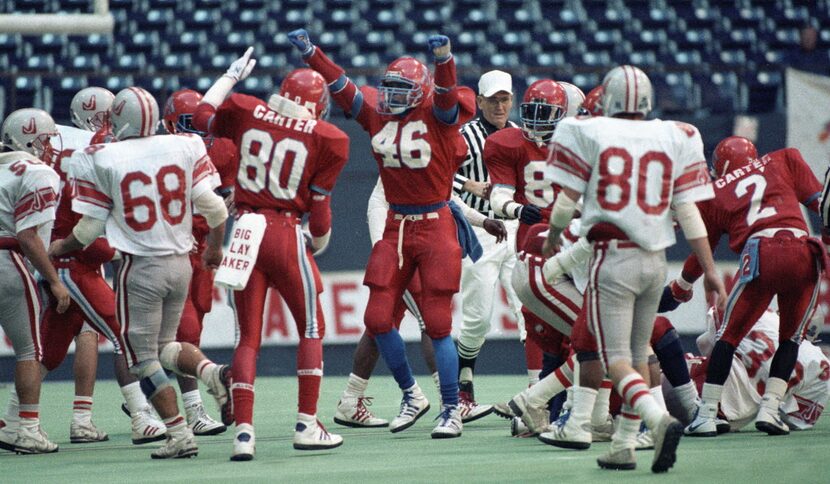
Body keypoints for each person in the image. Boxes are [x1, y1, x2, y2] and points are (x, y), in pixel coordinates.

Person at [288, 28, 478, 438]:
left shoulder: (439, 115)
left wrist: (444, 57)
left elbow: (446, 95)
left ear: (420, 91)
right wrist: (313, 55)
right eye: (388, 87)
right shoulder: (379, 114)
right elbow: (343, 88)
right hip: (396, 224)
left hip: (435, 223)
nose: (390, 95)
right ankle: (411, 393)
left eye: (401, 88)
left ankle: (451, 408)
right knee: (377, 317)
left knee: (439, 323)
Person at [543, 65, 725, 472]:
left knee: (615, 361)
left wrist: (554, 236)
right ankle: (625, 443)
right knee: (639, 354)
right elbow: (689, 211)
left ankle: (659, 421)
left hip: (613, 257)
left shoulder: (588, 132)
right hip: (655, 259)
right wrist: (710, 269)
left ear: (607, 100)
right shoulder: (672, 134)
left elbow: (566, 202)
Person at [49, 87, 232, 459]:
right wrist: (214, 247)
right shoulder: (184, 146)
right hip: (181, 263)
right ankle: (212, 373)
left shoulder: (104, 156)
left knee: (142, 358)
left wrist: (59, 248)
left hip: (141, 268)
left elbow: (87, 230)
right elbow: (216, 209)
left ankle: (179, 434)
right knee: (165, 347)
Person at [193, 59, 349, 458]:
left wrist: (229, 77)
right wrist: (317, 243)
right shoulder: (328, 137)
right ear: (316, 103)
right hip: (283, 228)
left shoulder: (246, 110)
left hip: (243, 227)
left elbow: (201, 113)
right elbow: (321, 213)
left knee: (247, 337)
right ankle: (306, 424)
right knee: (311, 328)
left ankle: (244, 433)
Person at [35, 96, 167, 446]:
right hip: (73, 263)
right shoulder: (97, 154)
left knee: (48, 350)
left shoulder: (75, 151)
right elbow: (88, 233)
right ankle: (142, 415)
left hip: (72, 261)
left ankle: (22, 420)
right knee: (126, 335)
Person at [675, 136, 825, 438]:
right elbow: (820, 204)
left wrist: (681, 287)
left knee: (728, 337)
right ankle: (770, 409)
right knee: (791, 338)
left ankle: (706, 414)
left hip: (763, 251)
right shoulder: (786, 158)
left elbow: (702, 249)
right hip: (804, 251)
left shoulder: (715, 192)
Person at [163, 88, 239, 437]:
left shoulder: (221, 150)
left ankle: (151, 397)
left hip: (203, 247)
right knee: (185, 331)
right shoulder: (160, 152)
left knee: (194, 324)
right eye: (186, 125)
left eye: (199, 125)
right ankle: (190, 407)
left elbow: (231, 199)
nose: (195, 134)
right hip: (173, 247)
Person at [486, 79, 568, 389]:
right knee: (534, 315)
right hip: (532, 233)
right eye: (532, 111)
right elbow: (499, 194)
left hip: (573, 234)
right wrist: (516, 209)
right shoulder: (509, 143)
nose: (536, 118)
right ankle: (537, 392)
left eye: (545, 113)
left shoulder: (577, 141)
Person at [454, 69, 522, 421]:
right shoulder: (464, 136)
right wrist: (469, 184)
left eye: (504, 98)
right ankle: (463, 390)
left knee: (529, 310)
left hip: (517, 229)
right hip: (480, 230)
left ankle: (537, 394)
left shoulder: (521, 135)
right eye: (492, 99)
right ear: (479, 101)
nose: (499, 105)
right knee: (478, 318)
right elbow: (442, 175)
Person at [0, 108, 69, 454]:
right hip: (7, 259)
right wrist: (55, 281)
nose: (49, 146)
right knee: (30, 350)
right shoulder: (38, 172)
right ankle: (26, 427)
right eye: (44, 139)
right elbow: (28, 236)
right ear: (28, 139)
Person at [668, 308, 830, 432]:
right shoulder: (821, 363)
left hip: (696, 388)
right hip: (734, 418)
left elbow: (703, 343)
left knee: (662, 331)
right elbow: (795, 421)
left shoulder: (762, 314)